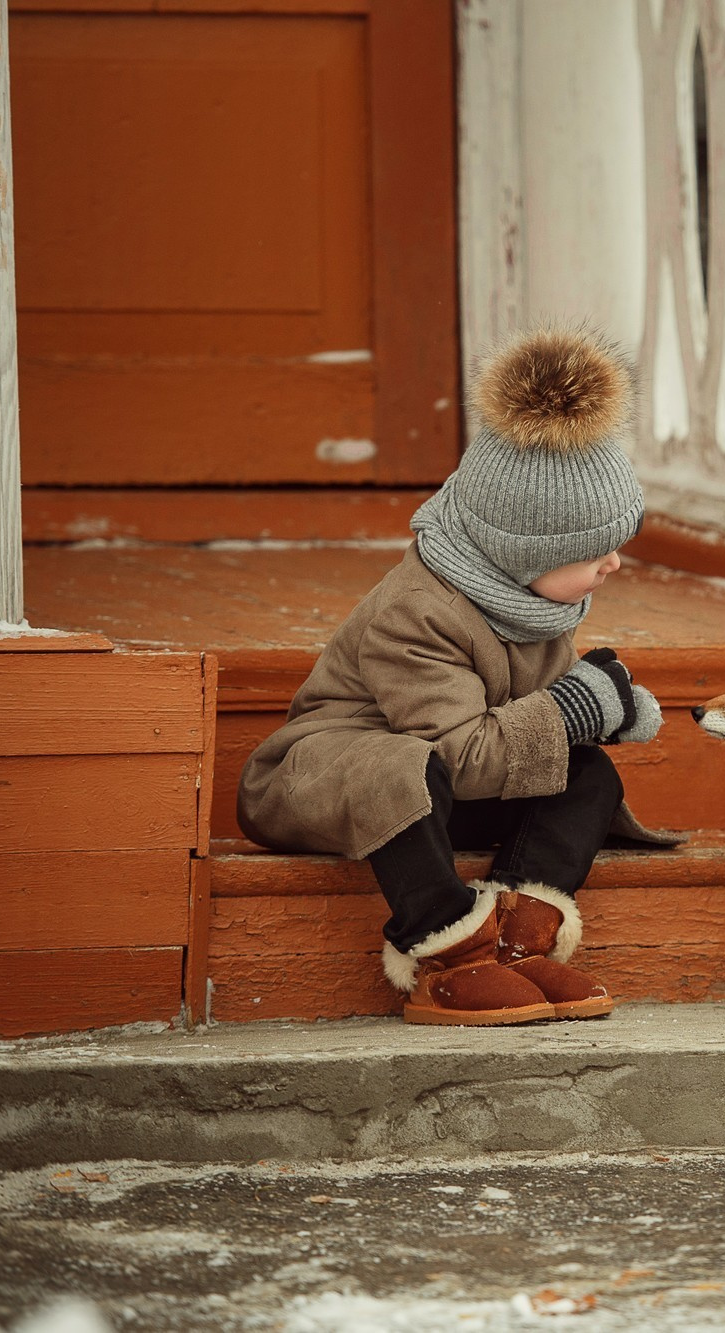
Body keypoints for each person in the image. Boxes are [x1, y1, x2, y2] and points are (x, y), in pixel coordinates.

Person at [236, 327, 678, 1026]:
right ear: (523, 548)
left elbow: (534, 725)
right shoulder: (419, 610)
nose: (614, 563)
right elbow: (458, 753)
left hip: (444, 777)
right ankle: (443, 948)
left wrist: (602, 713)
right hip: (333, 775)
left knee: (588, 774)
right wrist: (570, 710)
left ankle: (513, 937)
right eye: (595, 550)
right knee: (401, 766)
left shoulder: (533, 597)